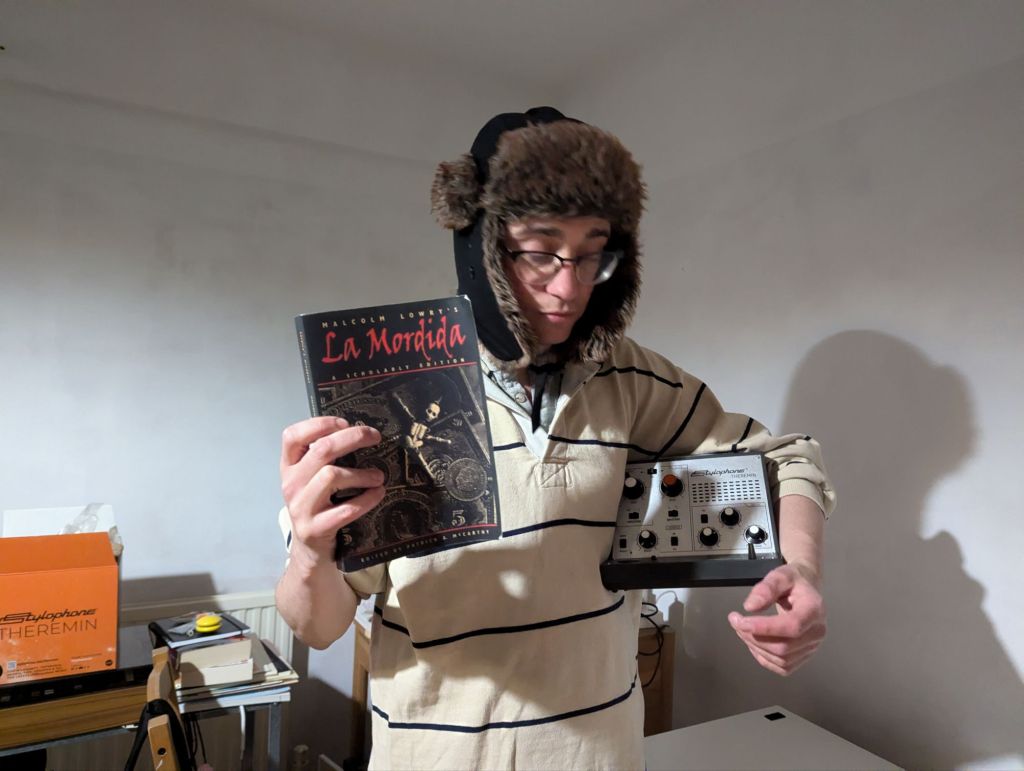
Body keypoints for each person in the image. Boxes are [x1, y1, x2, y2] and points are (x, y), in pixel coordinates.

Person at [275, 107, 836, 770]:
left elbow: (786, 457)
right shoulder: (395, 386)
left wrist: (801, 570)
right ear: (483, 244)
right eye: (540, 252)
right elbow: (318, 625)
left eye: (591, 253)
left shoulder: (635, 381)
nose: (569, 287)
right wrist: (310, 553)